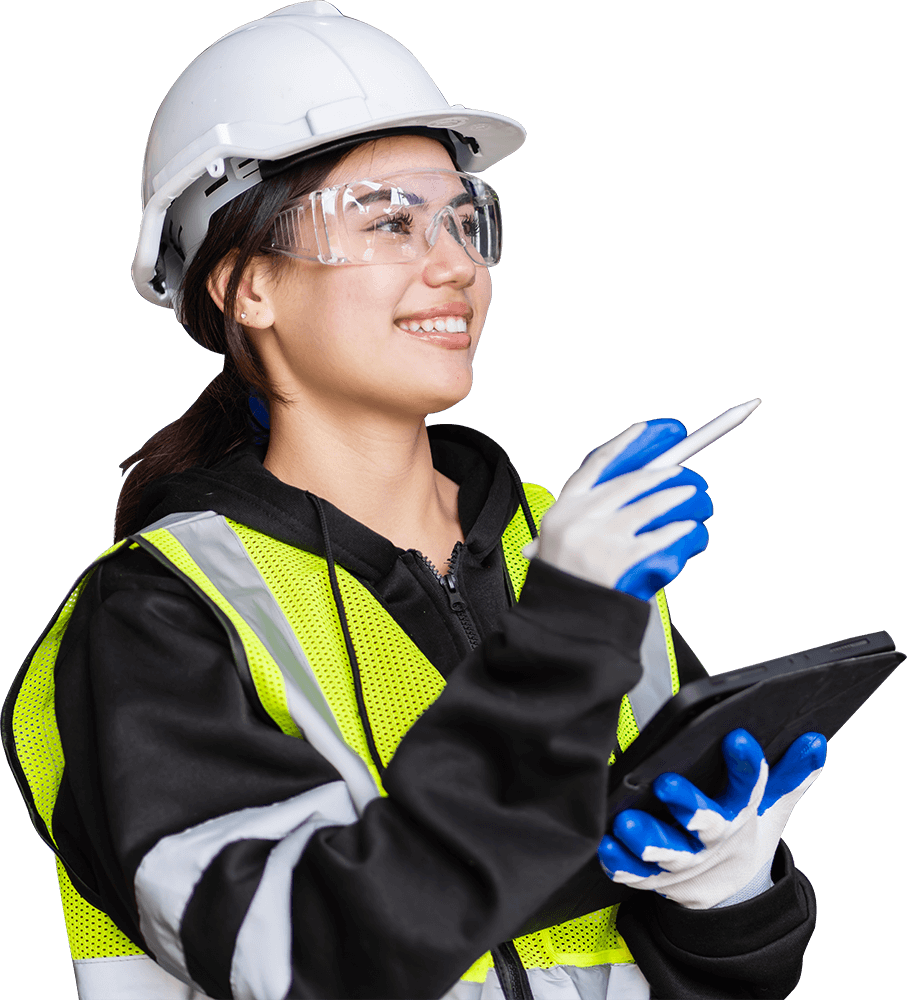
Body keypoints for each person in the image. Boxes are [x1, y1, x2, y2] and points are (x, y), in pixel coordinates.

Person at [2, 4, 823, 998]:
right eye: (389, 220)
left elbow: (683, 968)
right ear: (245, 285)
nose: (458, 266)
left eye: (462, 219)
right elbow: (310, 961)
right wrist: (563, 638)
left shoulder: (565, 548)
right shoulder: (157, 614)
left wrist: (729, 906)